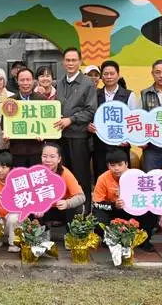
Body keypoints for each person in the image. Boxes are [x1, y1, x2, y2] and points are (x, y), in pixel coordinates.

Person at [54, 48, 97, 207]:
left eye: (74, 60)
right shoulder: (59, 83)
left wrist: (71, 120)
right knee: (63, 176)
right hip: (61, 137)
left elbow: (91, 110)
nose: (70, 63)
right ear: (63, 62)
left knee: (81, 177)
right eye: (68, 60)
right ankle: (66, 212)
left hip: (79, 138)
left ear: (80, 62)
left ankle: (83, 212)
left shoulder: (87, 84)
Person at [91, 148, 156, 252]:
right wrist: (114, 205)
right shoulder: (103, 178)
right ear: (108, 166)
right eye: (113, 165)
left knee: (151, 211)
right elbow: (97, 203)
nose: (117, 168)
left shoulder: (136, 176)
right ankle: (109, 239)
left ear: (126, 164)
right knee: (97, 218)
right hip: (113, 210)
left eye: (120, 165)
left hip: (132, 210)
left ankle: (143, 240)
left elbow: (148, 197)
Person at [88, 60, 138, 176]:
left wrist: (128, 139)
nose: (109, 77)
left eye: (112, 73)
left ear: (118, 75)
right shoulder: (95, 94)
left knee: (122, 178)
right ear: (102, 77)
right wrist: (88, 126)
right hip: (100, 146)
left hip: (120, 146)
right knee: (101, 176)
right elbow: (89, 115)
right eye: (106, 74)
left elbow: (135, 120)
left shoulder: (128, 95)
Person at [3, 67, 46, 168]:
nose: (25, 83)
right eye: (22, 80)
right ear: (17, 81)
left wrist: (45, 135)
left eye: (28, 79)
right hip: (17, 151)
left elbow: (48, 124)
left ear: (33, 81)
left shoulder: (42, 100)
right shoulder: (10, 101)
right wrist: (6, 132)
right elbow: (4, 123)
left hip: (37, 150)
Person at [39, 143, 85, 226]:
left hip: (63, 207)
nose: (48, 160)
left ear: (59, 159)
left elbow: (81, 197)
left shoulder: (65, 173)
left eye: (52, 156)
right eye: (44, 156)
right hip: (45, 209)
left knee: (78, 208)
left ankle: (71, 233)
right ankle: (40, 233)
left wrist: (67, 203)